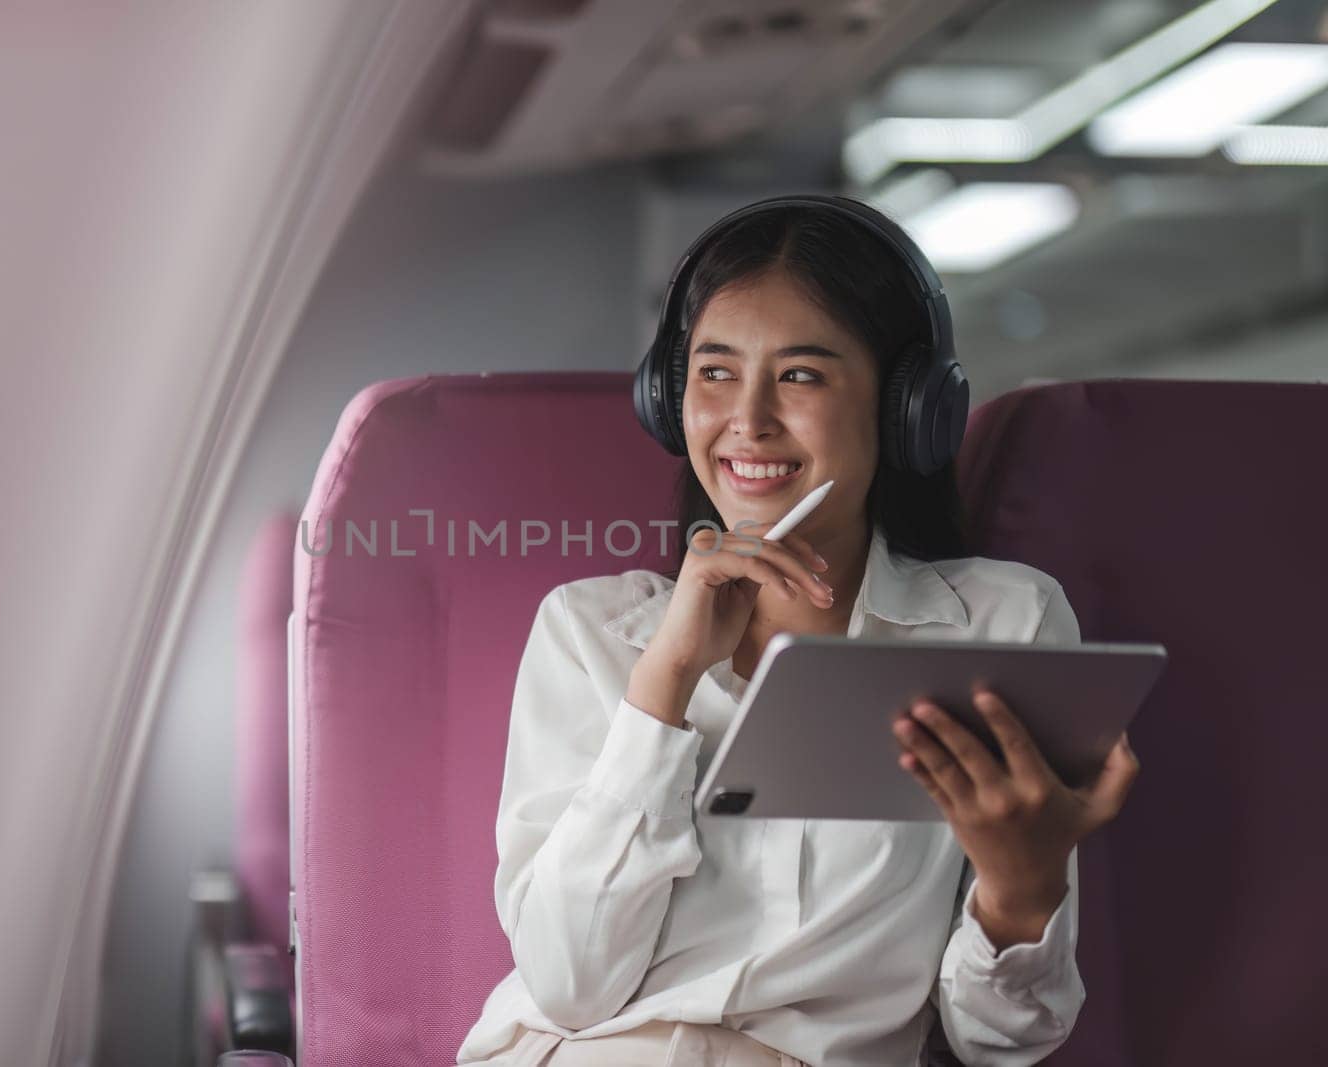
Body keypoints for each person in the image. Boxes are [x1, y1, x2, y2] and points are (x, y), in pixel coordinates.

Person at [455, 199, 1140, 1067]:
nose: (747, 420)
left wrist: (1021, 885)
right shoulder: (591, 630)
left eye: (801, 376)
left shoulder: (1003, 622)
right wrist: (663, 683)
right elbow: (568, 982)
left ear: (906, 408)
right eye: (713, 373)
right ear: (671, 398)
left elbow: (1001, 1040)